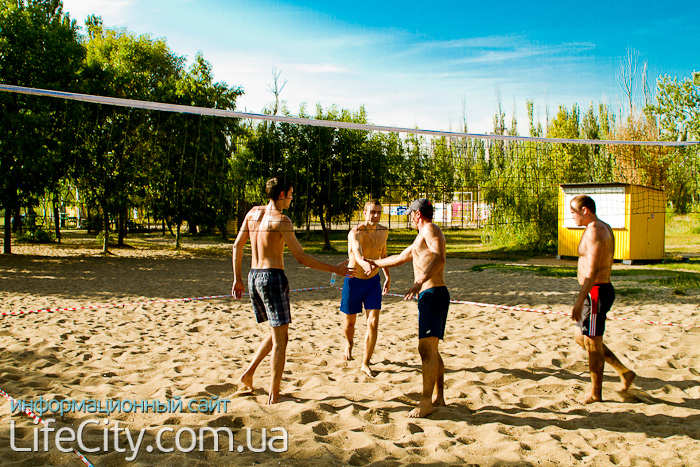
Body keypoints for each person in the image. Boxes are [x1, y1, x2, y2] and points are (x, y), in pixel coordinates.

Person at [232, 175, 355, 405]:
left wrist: (237, 279)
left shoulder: (252, 213)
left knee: (276, 332)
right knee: (282, 339)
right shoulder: (281, 220)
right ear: (281, 195)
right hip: (272, 278)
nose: (291, 198)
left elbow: (237, 245)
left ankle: (248, 374)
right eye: (290, 194)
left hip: (253, 277)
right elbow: (301, 258)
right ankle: (274, 393)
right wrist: (334, 269)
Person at [366, 198, 449, 417]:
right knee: (431, 349)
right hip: (430, 295)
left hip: (433, 293)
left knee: (425, 349)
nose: (410, 218)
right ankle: (438, 397)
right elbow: (401, 257)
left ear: (417, 215)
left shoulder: (430, 229)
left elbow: (439, 257)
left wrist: (419, 281)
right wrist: (376, 262)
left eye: (411, 214)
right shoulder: (421, 236)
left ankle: (425, 402)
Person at [570, 194, 636, 403]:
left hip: (596, 291)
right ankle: (624, 371)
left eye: (573, 212)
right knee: (581, 338)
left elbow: (594, 269)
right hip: (594, 291)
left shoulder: (596, 231)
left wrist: (580, 300)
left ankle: (595, 394)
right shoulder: (598, 227)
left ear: (585, 210)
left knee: (592, 344)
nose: (571, 216)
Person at [340, 199, 391, 377]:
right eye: (372, 212)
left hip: (372, 283)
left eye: (378, 212)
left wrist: (387, 276)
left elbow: (383, 254)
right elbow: (357, 254)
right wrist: (364, 263)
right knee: (349, 324)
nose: (375, 215)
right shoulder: (356, 233)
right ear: (364, 213)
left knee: (374, 323)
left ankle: (365, 363)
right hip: (353, 281)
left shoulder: (384, 231)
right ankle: (349, 343)